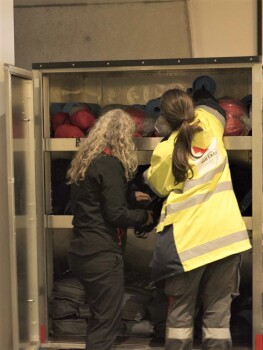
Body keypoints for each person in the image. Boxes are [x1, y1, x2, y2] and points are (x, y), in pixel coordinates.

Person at [143, 88, 252, 350]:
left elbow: (157, 186)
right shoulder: (210, 123)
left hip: (188, 244)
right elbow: (211, 105)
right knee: (218, 316)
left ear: (165, 120)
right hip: (226, 239)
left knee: (180, 314)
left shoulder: (166, 150)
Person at [66, 108, 153, 350]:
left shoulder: (87, 162)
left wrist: (127, 193)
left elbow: (94, 200)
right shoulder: (110, 164)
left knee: (98, 318)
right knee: (106, 324)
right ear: (123, 136)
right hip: (102, 254)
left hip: (82, 251)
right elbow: (116, 214)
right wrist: (143, 217)